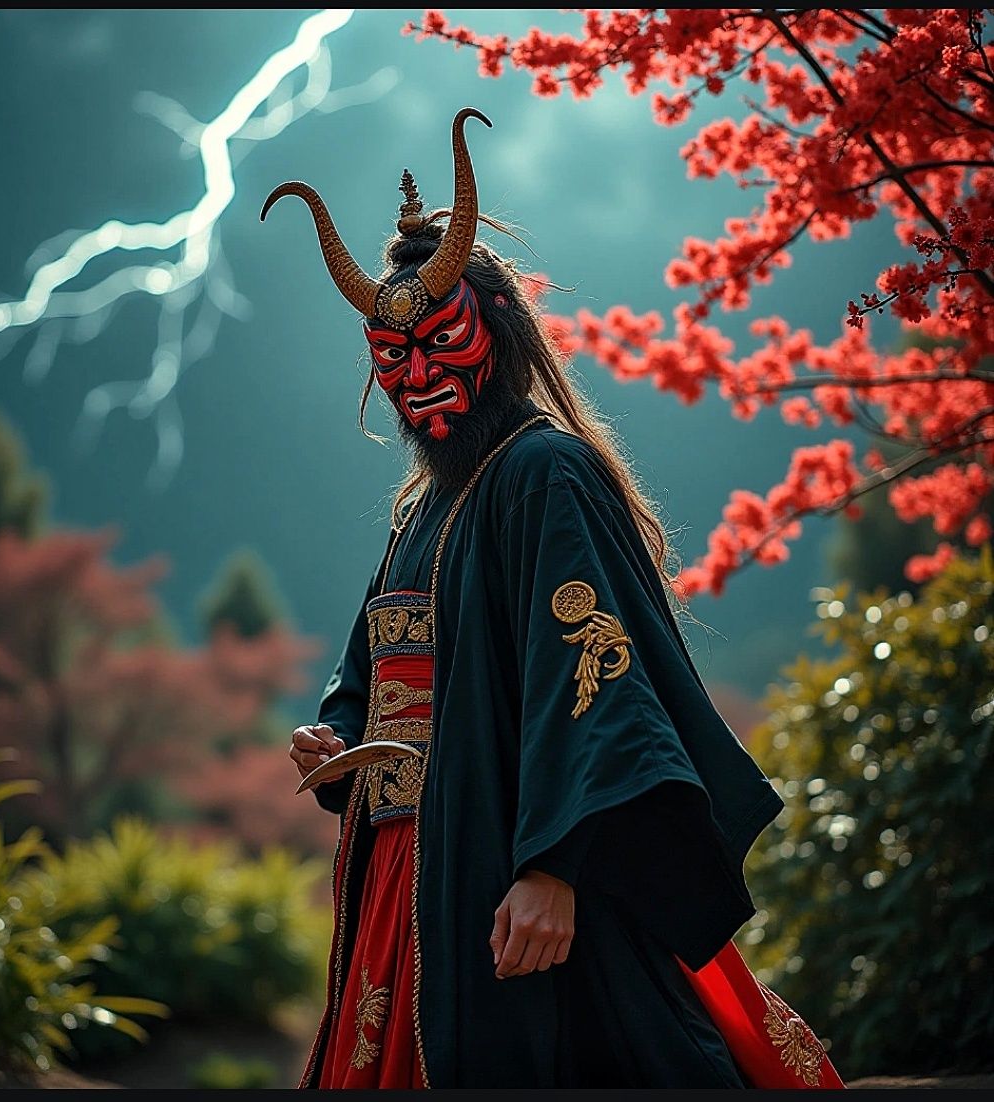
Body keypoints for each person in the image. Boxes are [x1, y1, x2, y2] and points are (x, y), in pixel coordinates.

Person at [265, 108, 844, 1090]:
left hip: (514, 869)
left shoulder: (545, 474)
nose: (416, 378)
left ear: (494, 333)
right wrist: (337, 736)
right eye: (390, 358)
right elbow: (371, 664)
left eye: (439, 343)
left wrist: (555, 868)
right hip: (405, 871)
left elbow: (598, 681)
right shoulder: (424, 502)